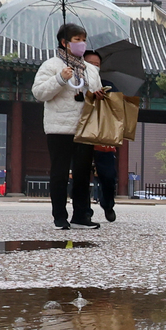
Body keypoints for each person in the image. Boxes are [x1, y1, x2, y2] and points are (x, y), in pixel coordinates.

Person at [32, 22, 103, 230]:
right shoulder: (51, 65)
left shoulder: (90, 69)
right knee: (60, 174)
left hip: (84, 127)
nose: (81, 44)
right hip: (59, 128)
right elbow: (39, 93)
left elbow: (96, 95)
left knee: (82, 174)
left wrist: (98, 95)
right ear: (64, 42)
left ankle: (81, 215)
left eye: (83, 40)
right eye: (76, 40)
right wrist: (60, 78)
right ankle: (59, 217)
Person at [83, 50, 119, 222]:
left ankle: (108, 204)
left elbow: (118, 107)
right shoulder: (76, 84)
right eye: (89, 64)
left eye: (96, 65)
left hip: (102, 136)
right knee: (80, 175)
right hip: (81, 135)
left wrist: (104, 97)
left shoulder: (108, 84)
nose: (93, 67)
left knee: (108, 176)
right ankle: (84, 211)